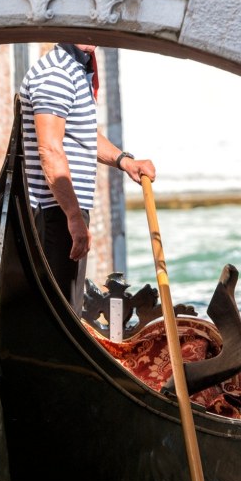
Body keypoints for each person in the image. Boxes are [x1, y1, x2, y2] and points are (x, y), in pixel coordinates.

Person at [18, 43, 156, 310]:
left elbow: (82, 132)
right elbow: (49, 149)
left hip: (62, 209)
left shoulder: (75, 68)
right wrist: (73, 216)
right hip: (53, 211)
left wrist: (124, 161)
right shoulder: (57, 73)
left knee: (66, 305)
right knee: (58, 309)